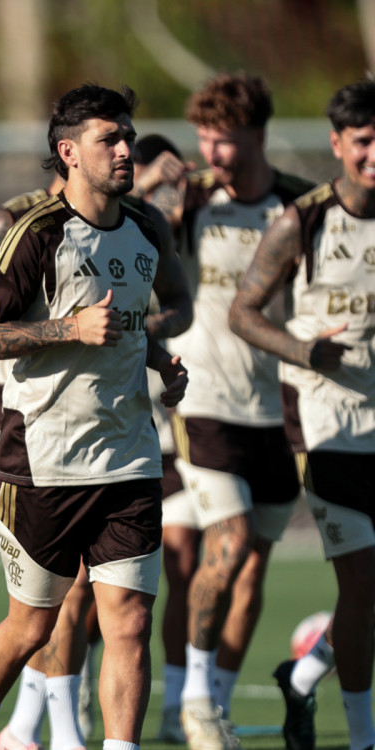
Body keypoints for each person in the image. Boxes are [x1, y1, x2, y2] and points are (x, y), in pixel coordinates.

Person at [0, 84, 191, 750]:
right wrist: (66, 329)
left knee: (129, 623)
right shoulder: (33, 232)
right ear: (68, 152)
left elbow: (165, 307)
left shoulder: (147, 228)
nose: (126, 149)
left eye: (128, 136)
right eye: (109, 138)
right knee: (33, 628)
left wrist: (160, 358)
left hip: (131, 454)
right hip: (44, 459)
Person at [144, 73, 316, 749]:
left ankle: (211, 705)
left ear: (257, 135)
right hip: (204, 400)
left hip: (281, 410)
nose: (211, 154)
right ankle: (188, 700)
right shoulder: (190, 202)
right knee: (229, 538)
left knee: (253, 569)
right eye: (204, 140)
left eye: (224, 141)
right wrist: (163, 203)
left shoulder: (302, 206)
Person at [230, 79, 375, 750]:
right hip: (325, 423)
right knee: (364, 581)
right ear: (338, 144)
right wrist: (303, 350)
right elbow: (244, 311)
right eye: (366, 143)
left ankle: (304, 674)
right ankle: (364, 738)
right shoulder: (304, 220)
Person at [0, 175, 99, 750]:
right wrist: (16, 333)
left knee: (98, 594)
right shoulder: (11, 222)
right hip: (25, 416)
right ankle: (59, 732)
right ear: (69, 152)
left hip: (99, 420)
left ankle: (29, 726)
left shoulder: (120, 223)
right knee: (63, 589)